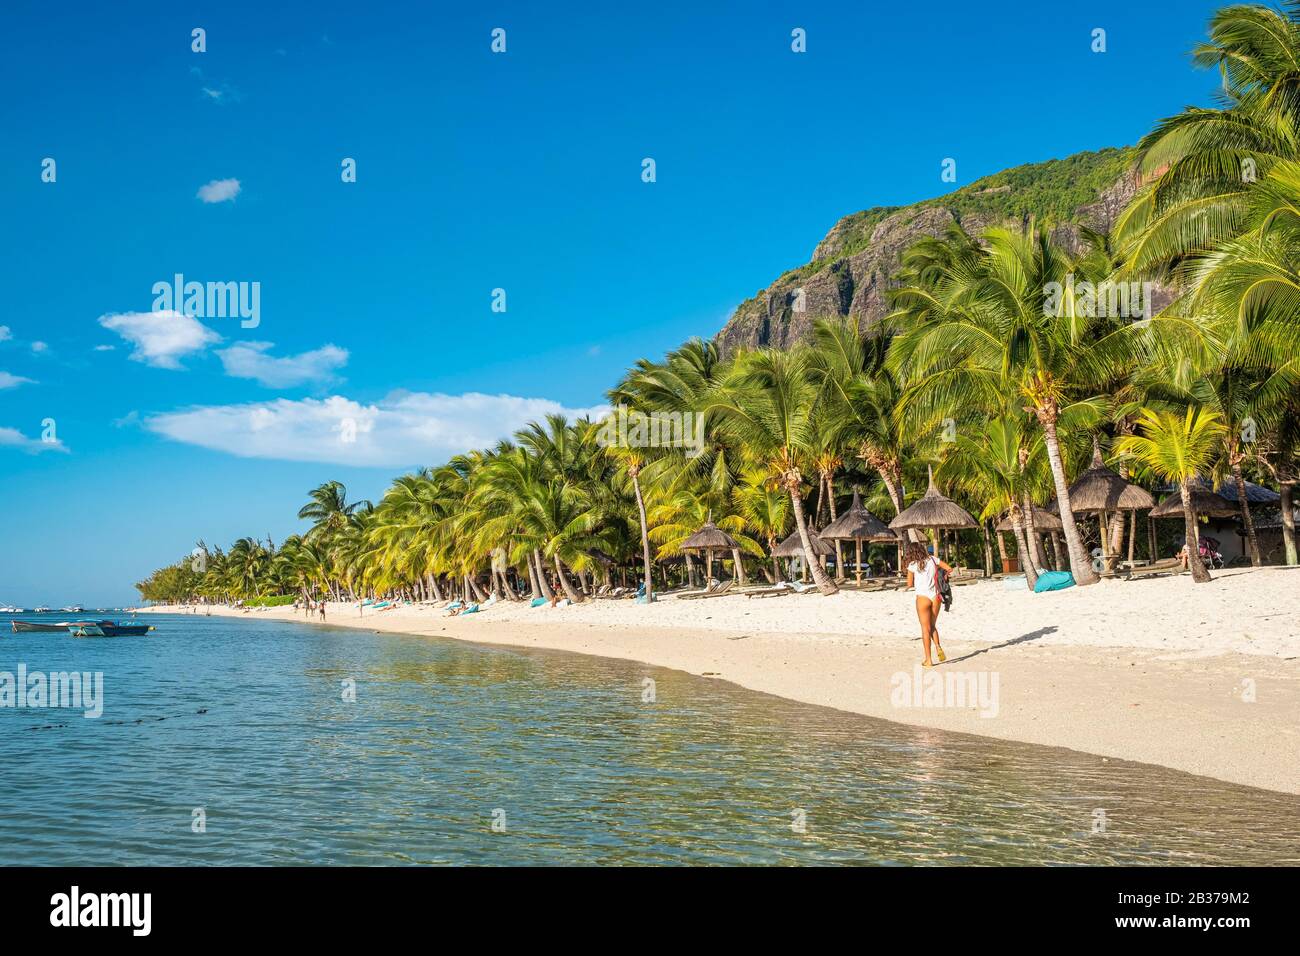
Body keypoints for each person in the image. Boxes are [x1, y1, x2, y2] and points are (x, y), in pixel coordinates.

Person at [904, 540, 951, 668]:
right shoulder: (933, 559)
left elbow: (909, 584)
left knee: (925, 629)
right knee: (932, 625)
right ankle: (938, 646)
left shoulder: (912, 565)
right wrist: (944, 576)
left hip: (922, 598)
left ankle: (928, 660)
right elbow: (949, 569)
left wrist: (908, 586)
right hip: (936, 597)